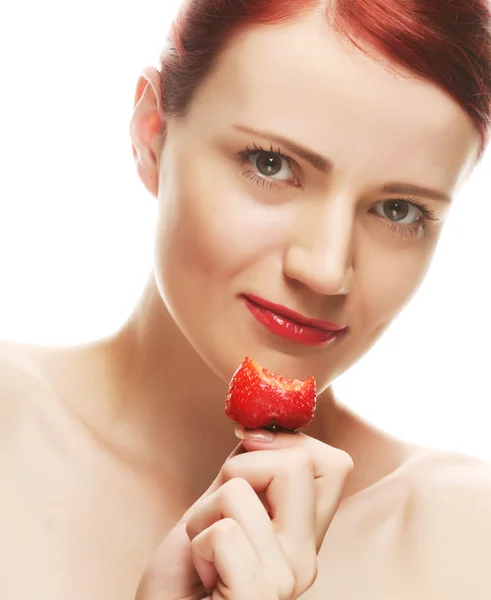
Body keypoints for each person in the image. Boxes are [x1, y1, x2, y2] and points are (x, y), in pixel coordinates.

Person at [1, 0, 491, 598]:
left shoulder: (468, 541)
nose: (326, 270)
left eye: (399, 210)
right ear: (151, 133)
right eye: (271, 164)